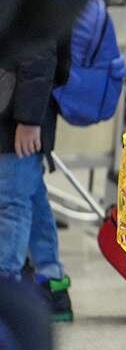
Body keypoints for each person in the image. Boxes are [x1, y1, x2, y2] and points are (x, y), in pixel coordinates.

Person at [0, 39, 73, 322]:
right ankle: (51, 283)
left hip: (19, 116)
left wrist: (29, 120)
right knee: (30, 194)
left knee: (10, 203)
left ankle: (7, 293)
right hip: (16, 108)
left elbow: (38, 50)